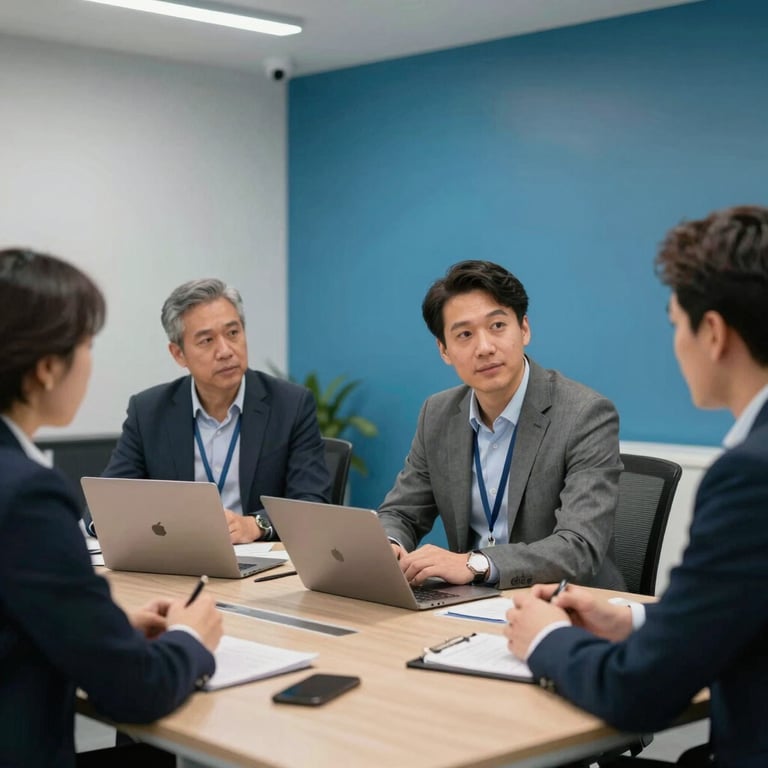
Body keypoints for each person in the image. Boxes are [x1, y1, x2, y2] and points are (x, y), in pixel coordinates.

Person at [505, 205, 768, 768]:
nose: (676, 343)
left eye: (676, 324)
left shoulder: (751, 475)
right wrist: (635, 620)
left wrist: (546, 638)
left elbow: (639, 693)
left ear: (715, 333)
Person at [0, 248, 223, 768]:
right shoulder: (28, 495)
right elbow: (135, 689)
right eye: (86, 344)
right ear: (47, 369)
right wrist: (193, 638)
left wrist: (102, 622)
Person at [377, 260, 624, 590]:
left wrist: (475, 563)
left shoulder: (585, 414)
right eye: (464, 334)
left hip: (566, 602)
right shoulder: (437, 414)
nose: (484, 348)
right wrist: (390, 546)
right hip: (471, 603)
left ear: (524, 329)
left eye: (497, 326)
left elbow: (580, 546)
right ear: (444, 350)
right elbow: (402, 513)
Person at [97, 278, 331, 543]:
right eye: (207, 340)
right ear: (178, 354)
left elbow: (311, 504)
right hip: (179, 560)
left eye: (233, 333)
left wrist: (256, 524)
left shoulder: (290, 405)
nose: (225, 351)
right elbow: (106, 503)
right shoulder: (149, 412)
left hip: (259, 566)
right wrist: (105, 522)